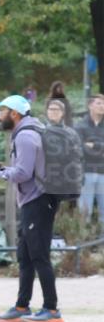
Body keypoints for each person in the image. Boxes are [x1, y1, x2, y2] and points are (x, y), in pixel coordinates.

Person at [0, 95, 63, 322]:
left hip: (37, 202)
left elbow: (23, 174)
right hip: (34, 200)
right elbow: (24, 168)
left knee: (39, 256)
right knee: (25, 256)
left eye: (2, 111)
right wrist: (0, 167)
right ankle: (22, 306)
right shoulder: (29, 132)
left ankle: (51, 309)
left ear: (14, 114)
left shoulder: (26, 136)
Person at [75, 93, 104, 227]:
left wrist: (94, 145)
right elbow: (79, 149)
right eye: (99, 103)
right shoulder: (80, 126)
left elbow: (89, 148)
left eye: (103, 103)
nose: (102, 106)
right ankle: (84, 245)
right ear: (90, 106)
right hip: (86, 173)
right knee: (85, 212)